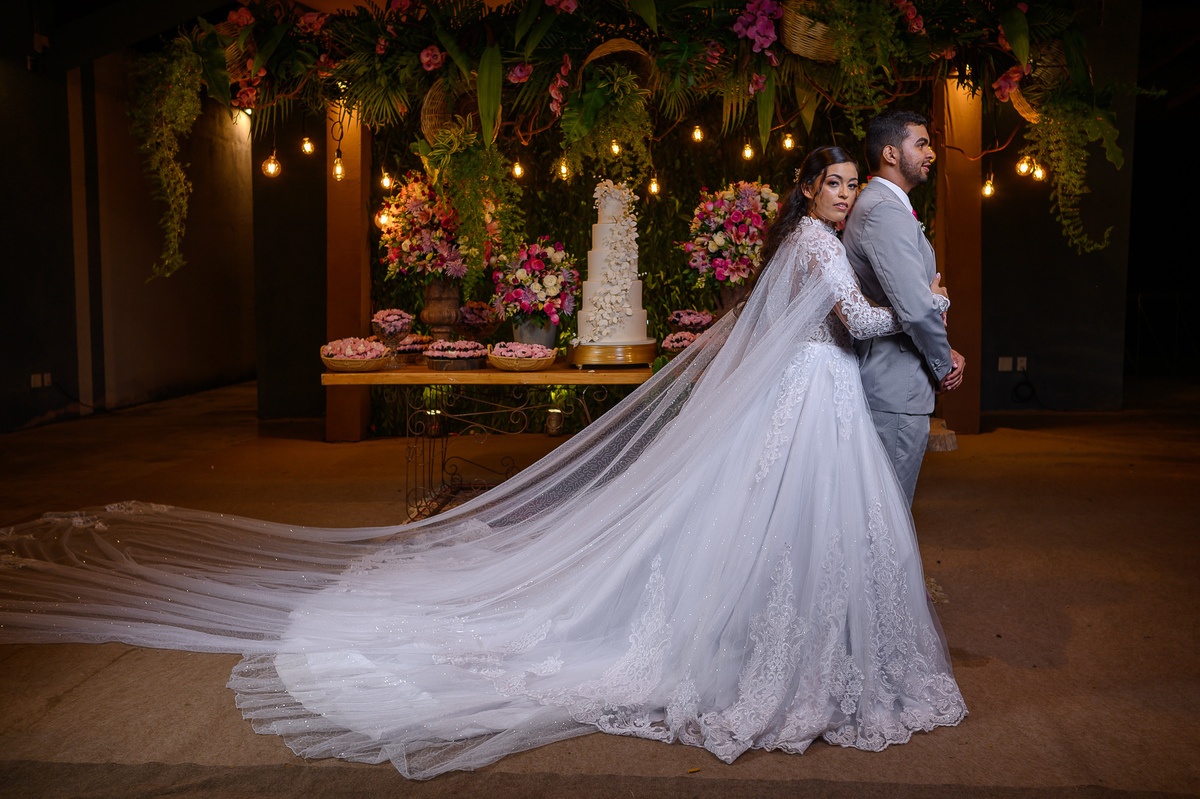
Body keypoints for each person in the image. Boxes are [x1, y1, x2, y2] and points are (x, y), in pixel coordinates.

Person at [0, 147, 966, 780]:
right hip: (817, 390)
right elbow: (862, 319)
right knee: (800, 520)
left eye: (852, 184)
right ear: (810, 191)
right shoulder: (821, 246)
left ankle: (776, 635)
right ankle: (790, 650)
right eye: (835, 183)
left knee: (780, 521)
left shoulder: (800, 242)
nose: (845, 195)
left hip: (804, 392)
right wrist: (932, 301)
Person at [842, 110, 966, 505]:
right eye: (921, 144)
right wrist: (942, 364)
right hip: (894, 385)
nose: (931, 153)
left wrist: (940, 338)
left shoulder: (886, 205)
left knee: (882, 511)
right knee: (887, 514)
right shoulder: (884, 210)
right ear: (891, 153)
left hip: (894, 380)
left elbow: (910, 303)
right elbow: (915, 309)